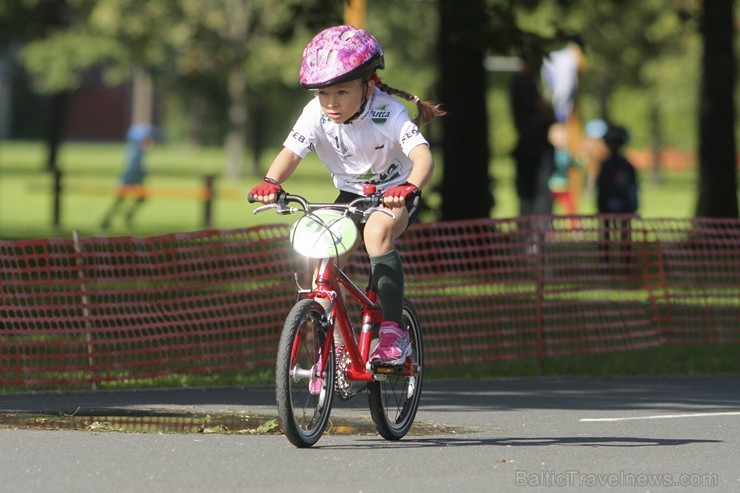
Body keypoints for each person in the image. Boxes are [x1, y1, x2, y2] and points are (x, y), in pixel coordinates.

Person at [249, 26, 445, 367]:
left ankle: (393, 331)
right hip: (351, 194)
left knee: (375, 233)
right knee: (320, 250)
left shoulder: (388, 111)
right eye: (323, 94)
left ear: (368, 85)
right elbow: (291, 153)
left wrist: (409, 186)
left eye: (341, 92)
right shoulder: (315, 113)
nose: (331, 103)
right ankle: (333, 338)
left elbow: (423, 157)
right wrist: (271, 182)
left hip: (396, 193)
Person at [509, 54, 556, 216]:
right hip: (531, 149)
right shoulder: (523, 83)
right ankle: (533, 235)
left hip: (533, 148)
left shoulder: (527, 83)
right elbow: (545, 111)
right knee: (534, 194)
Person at [100, 123, 158, 231]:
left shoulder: (137, 150)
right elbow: (135, 169)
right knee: (121, 201)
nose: (149, 142)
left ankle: (119, 218)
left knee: (135, 199)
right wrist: (148, 171)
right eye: (146, 140)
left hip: (133, 180)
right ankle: (110, 220)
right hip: (128, 181)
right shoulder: (135, 152)